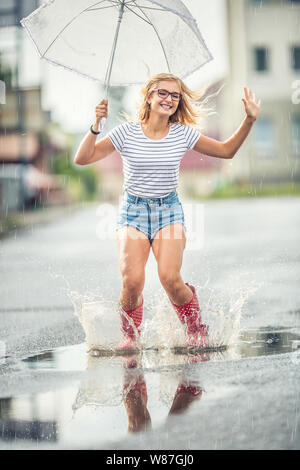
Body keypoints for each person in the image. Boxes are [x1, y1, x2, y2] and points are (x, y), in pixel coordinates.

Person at [74, 73, 261, 352]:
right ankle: (130, 335)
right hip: (132, 213)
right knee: (132, 281)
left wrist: (249, 120)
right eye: (163, 93)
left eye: (175, 96)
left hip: (169, 212)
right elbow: (83, 158)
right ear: (148, 96)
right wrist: (96, 125)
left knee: (170, 278)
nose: (169, 99)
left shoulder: (182, 134)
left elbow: (226, 151)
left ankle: (196, 329)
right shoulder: (126, 132)